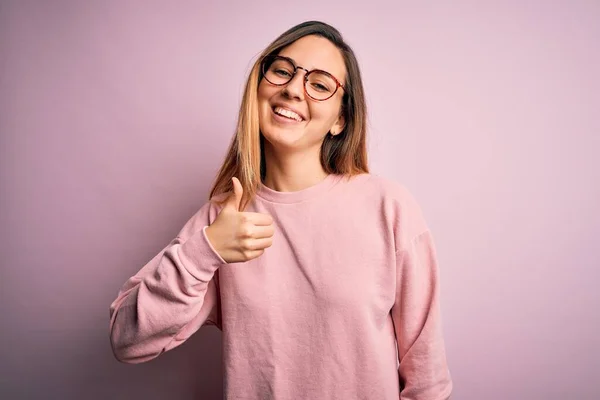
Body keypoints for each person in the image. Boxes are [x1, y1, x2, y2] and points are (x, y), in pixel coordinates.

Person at [109, 20, 453, 400]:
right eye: (282, 71)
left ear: (340, 120)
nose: (292, 89)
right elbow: (127, 341)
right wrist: (204, 251)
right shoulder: (225, 219)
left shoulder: (389, 208)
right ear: (259, 87)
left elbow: (427, 379)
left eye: (320, 84)